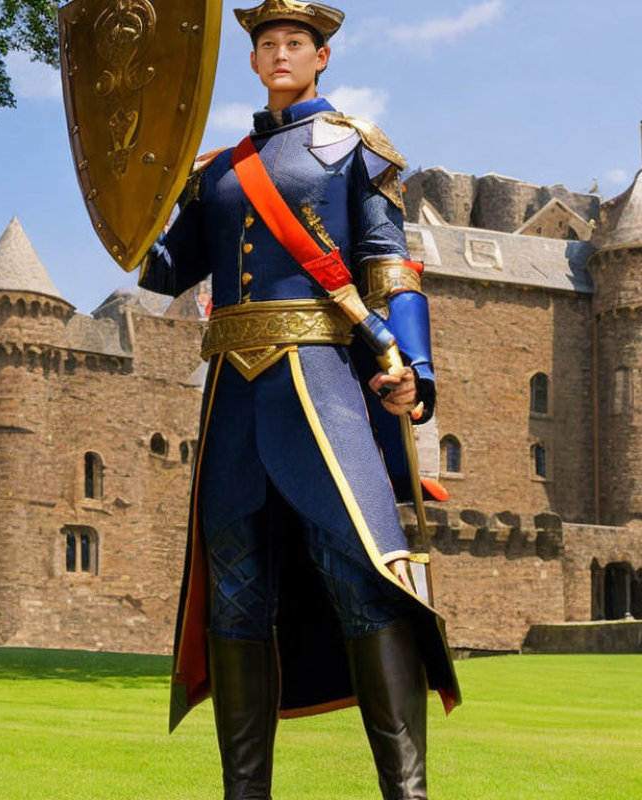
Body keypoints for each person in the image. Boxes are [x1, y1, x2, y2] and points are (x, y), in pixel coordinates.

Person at [137, 2, 461, 799]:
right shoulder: (215, 171)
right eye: (267, 45)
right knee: (238, 595)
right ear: (252, 62)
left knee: (365, 577)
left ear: (320, 58)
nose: (279, 55)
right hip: (233, 405)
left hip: (324, 385)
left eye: (294, 44)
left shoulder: (355, 147)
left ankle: (407, 794)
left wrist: (411, 365)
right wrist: (139, 195)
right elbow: (161, 273)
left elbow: (390, 267)